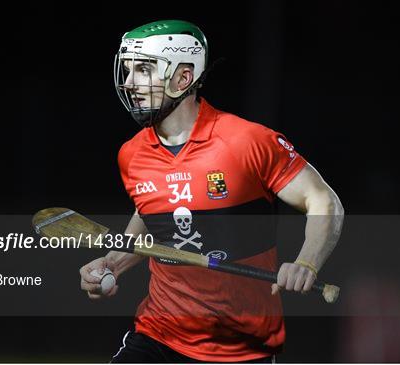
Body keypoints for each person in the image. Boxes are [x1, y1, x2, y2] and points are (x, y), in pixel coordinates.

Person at [80, 19, 344, 363]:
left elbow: (322, 200)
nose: (129, 83)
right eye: (127, 71)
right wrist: (114, 263)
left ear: (183, 78)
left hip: (242, 349)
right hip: (159, 335)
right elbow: (153, 213)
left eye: (143, 70)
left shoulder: (247, 142)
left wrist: (307, 262)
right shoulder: (132, 154)